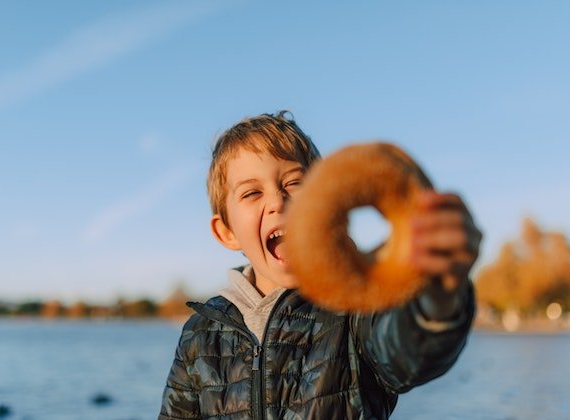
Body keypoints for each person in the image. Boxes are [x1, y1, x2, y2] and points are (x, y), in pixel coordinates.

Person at [159, 111, 481, 419]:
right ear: (227, 231)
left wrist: (441, 293)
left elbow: (410, 352)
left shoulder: (357, 308)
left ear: (325, 199)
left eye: (295, 184)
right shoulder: (200, 335)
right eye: (252, 193)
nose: (277, 202)